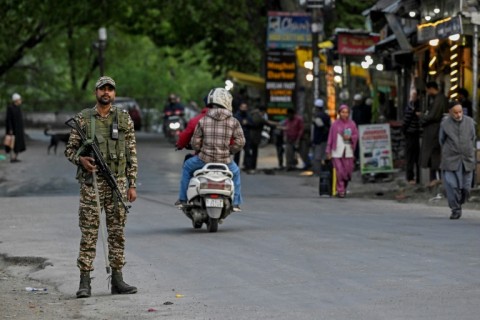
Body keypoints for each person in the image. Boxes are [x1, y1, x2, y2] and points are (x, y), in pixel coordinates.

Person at [65, 76, 138, 298]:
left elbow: (131, 153)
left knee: (117, 234)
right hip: (92, 185)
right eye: (102, 89)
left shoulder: (124, 119)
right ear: (96, 92)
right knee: (89, 233)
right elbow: (70, 150)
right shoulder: (84, 119)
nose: (106, 92)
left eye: (110, 89)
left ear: (114, 94)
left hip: (117, 183)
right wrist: (82, 161)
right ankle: (84, 282)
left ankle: (117, 280)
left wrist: (132, 184)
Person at [175, 88, 245, 211]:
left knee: (187, 166)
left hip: (203, 160)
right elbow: (240, 142)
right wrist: (230, 151)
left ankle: (182, 199)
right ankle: (236, 203)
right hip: (225, 162)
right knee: (236, 172)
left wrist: (200, 148)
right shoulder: (234, 121)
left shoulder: (203, 120)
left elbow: (195, 142)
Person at [439, 100, 475, 220]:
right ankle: (455, 209)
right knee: (452, 185)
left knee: (466, 188)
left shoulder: (469, 122)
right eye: (455, 113)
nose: (458, 115)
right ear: (450, 112)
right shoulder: (445, 124)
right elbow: (441, 140)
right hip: (450, 159)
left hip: (466, 159)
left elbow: (472, 138)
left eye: (460, 112)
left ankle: (460, 201)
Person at [326, 104, 359, 198]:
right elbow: (330, 138)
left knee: (348, 171)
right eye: (343, 112)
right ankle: (340, 190)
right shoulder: (335, 125)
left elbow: (356, 135)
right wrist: (328, 150)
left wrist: (350, 137)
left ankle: (343, 187)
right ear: (339, 113)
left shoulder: (352, 124)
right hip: (337, 151)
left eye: (346, 112)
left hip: (348, 151)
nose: (345, 114)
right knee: (339, 171)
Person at [419, 81, 447, 187]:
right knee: (432, 155)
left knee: (434, 154)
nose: (427, 92)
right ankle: (433, 179)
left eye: (427, 90)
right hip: (433, 131)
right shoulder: (438, 99)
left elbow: (433, 116)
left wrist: (421, 116)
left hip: (435, 131)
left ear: (431, 88)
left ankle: (437, 179)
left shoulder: (439, 100)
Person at [402, 89, 421, 184]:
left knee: (412, 157)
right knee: (413, 157)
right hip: (412, 134)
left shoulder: (415, 106)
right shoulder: (412, 107)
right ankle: (411, 177)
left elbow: (405, 122)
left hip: (413, 134)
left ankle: (412, 177)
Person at [244, 106, 269, 173]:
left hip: (251, 136)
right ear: (263, 112)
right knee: (253, 152)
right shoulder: (258, 117)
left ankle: (248, 166)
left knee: (250, 152)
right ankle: (251, 167)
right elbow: (264, 122)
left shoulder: (252, 114)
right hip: (254, 137)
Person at [311, 98, 331, 176]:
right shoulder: (327, 116)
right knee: (325, 156)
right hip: (326, 139)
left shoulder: (318, 116)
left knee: (317, 157)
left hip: (319, 140)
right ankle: (326, 171)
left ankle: (318, 172)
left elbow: (321, 126)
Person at [5, 93, 26, 162]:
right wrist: (10, 128)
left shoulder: (18, 108)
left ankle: (15, 157)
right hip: (13, 129)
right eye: (19, 99)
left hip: (19, 129)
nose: (20, 101)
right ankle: (12, 158)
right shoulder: (10, 108)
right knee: (12, 143)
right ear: (16, 100)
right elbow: (9, 119)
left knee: (18, 143)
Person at [233, 101, 252, 168]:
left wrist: (247, 123)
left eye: (245, 107)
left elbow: (252, 123)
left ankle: (247, 166)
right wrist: (242, 122)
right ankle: (235, 166)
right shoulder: (236, 115)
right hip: (238, 137)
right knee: (237, 153)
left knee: (247, 152)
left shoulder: (248, 115)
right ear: (240, 107)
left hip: (246, 136)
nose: (244, 109)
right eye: (242, 107)